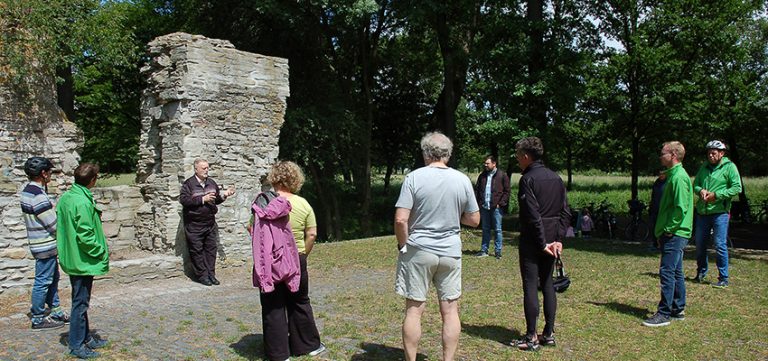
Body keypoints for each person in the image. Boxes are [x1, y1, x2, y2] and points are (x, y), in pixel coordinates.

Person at [394, 132, 480, 361]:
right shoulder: (462, 180)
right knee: (450, 311)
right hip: (450, 251)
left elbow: (401, 219)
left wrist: (403, 244)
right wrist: (452, 216)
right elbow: (474, 219)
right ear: (448, 155)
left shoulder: (413, 178)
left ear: (425, 153)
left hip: (419, 249)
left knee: (414, 309)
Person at [254, 161, 326, 360]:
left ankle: (278, 354)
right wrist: (302, 254)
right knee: (300, 301)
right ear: (295, 179)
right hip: (296, 260)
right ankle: (307, 346)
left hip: (269, 263)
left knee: (272, 305)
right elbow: (311, 234)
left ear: (274, 178)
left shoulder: (263, 202)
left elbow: (252, 230)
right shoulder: (303, 204)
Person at [511, 137, 570, 351]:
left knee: (530, 285)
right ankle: (549, 333)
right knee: (547, 284)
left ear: (526, 156)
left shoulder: (528, 179)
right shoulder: (556, 178)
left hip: (533, 241)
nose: (517, 160)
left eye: (518, 156)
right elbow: (566, 211)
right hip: (551, 239)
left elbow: (532, 215)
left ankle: (531, 336)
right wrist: (558, 239)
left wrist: (544, 241)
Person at [56, 163, 110, 358]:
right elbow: (85, 235)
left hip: (73, 257)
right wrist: (101, 251)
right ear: (93, 180)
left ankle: (86, 337)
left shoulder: (67, 197)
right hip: (82, 259)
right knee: (80, 303)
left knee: (81, 301)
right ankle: (77, 344)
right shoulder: (82, 202)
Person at [642, 141, 693, 327]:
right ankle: (677, 308)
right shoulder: (673, 176)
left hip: (675, 233)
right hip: (674, 232)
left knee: (667, 272)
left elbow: (680, 208)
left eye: (662, 153)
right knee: (676, 271)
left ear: (672, 155)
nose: (660, 156)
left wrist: (669, 230)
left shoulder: (678, 177)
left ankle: (664, 314)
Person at [20, 156, 69, 330]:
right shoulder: (38, 196)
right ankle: (38, 317)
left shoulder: (28, 191)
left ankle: (55, 310)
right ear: (43, 173)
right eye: (49, 172)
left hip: (39, 243)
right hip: (44, 244)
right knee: (43, 281)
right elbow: (53, 225)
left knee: (52, 279)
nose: (50, 175)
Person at [692, 140, 742, 288]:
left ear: (722, 153)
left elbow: (737, 188)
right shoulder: (704, 167)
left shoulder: (730, 167)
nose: (711, 155)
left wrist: (717, 195)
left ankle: (723, 278)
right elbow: (696, 184)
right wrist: (700, 190)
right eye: (709, 153)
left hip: (720, 212)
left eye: (714, 153)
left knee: (720, 244)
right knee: (700, 244)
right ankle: (701, 272)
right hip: (703, 212)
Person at [179, 159, 235, 286]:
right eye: (203, 168)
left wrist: (225, 195)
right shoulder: (189, 184)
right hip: (194, 223)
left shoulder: (211, 183)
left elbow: (215, 200)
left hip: (209, 223)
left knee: (211, 250)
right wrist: (202, 199)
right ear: (196, 169)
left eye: (207, 168)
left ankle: (211, 275)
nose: (206, 170)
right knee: (197, 251)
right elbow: (184, 201)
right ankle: (202, 276)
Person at [474, 155, 510, 259]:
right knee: (485, 229)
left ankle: (498, 251)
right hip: (485, 207)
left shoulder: (502, 175)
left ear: (494, 164)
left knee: (498, 229)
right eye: (485, 163)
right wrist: (478, 203)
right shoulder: (482, 176)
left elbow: (507, 192)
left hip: (496, 208)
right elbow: (477, 190)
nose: (485, 165)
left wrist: (501, 203)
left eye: (487, 163)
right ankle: (484, 250)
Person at [648, 171, 667, 250]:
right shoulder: (657, 182)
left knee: (662, 228)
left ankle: (662, 244)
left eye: (662, 174)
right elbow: (653, 195)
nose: (660, 175)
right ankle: (655, 243)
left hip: (664, 209)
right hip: (655, 208)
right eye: (659, 174)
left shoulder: (668, 182)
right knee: (653, 227)